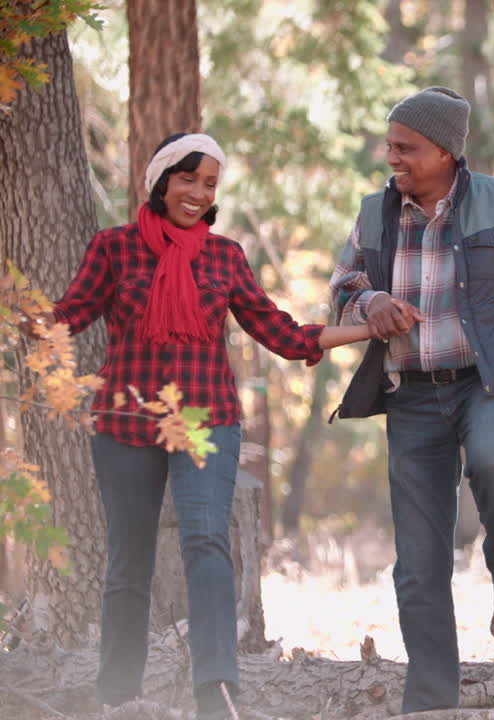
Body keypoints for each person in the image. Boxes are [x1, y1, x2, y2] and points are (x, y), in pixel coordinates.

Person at [22, 133, 373, 720]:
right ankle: (117, 696)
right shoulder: (113, 248)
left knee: (206, 542)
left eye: (209, 183)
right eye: (188, 179)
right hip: (125, 420)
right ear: (161, 180)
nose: (198, 192)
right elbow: (67, 317)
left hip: (206, 421)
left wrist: (365, 330)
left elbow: (282, 333)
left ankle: (216, 692)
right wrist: (23, 317)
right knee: (127, 560)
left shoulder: (225, 256)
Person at [328, 86, 494, 713]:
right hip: (412, 394)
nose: (392, 158)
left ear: (447, 151)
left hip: (487, 381)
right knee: (419, 562)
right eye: (390, 145)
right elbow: (344, 288)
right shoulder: (375, 213)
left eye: (407, 148)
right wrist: (370, 303)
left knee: (493, 459)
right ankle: (431, 704)